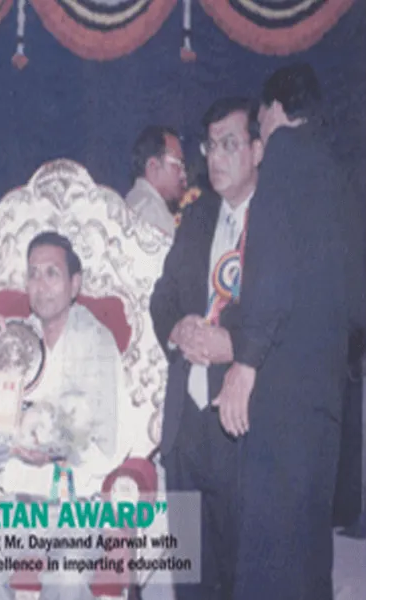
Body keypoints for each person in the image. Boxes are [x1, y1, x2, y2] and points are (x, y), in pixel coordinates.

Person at [212, 64, 353, 600]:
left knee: (268, 558)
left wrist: (245, 364)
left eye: (260, 122)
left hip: (282, 396)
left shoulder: (286, 157)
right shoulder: (338, 171)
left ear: (274, 110)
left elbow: (271, 274)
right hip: (325, 401)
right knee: (309, 556)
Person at [0, 231, 132, 600]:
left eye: (52, 273)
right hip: (17, 503)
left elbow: (108, 440)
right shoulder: (12, 341)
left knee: (66, 579)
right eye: (33, 273)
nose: (41, 285)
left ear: (74, 284)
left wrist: (54, 451)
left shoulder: (96, 341)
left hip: (77, 507)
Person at [150, 97, 263, 600]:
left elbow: (294, 320)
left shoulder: (279, 223)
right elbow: (162, 298)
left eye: (229, 144)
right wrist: (177, 329)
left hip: (242, 427)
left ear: (257, 150)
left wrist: (233, 345)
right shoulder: (196, 216)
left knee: (243, 578)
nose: (216, 157)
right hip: (186, 432)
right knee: (191, 583)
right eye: (210, 146)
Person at [124, 126, 188, 237]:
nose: (183, 175)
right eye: (178, 164)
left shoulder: (133, 203)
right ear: (153, 166)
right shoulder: (153, 211)